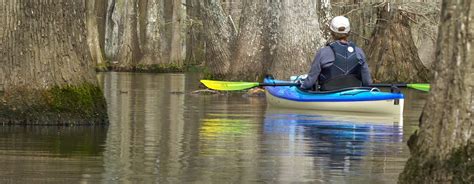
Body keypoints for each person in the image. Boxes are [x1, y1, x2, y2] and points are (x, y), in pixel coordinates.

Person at [300, 16, 372, 91]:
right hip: (354, 93)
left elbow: (310, 81)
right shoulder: (359, 52)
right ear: (349, 32)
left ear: (332, 32)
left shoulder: (323, 52)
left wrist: (302, 87)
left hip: (328, 94)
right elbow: (367, 82)